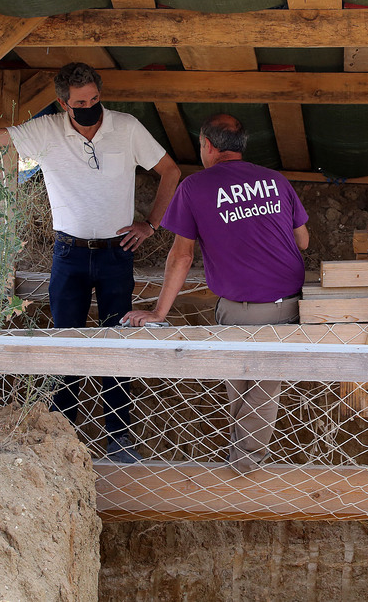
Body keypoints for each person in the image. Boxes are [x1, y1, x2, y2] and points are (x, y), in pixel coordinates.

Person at [0, 62, 181, 464]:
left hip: (117, 253)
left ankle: (120, 437)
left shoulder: (126, 127)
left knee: (118, 342)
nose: (91, 107)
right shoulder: (46, 131)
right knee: (64, 345)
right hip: (69, 254)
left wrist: (151, 224)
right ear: (63, 103)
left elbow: (170, 170)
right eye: (81, 102)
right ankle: (61, 439)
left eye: (95, 99)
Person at [122, 113, 309, 474]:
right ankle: (243, 461)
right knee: (260, 385)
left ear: (207, 146)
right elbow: (303, 239)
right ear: (241, 147)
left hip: (238, 308)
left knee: (249, 386)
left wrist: (159, 313)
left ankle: (244, 467)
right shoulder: (275, 180)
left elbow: (182, 255)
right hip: (287, 303)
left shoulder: (196, 187)